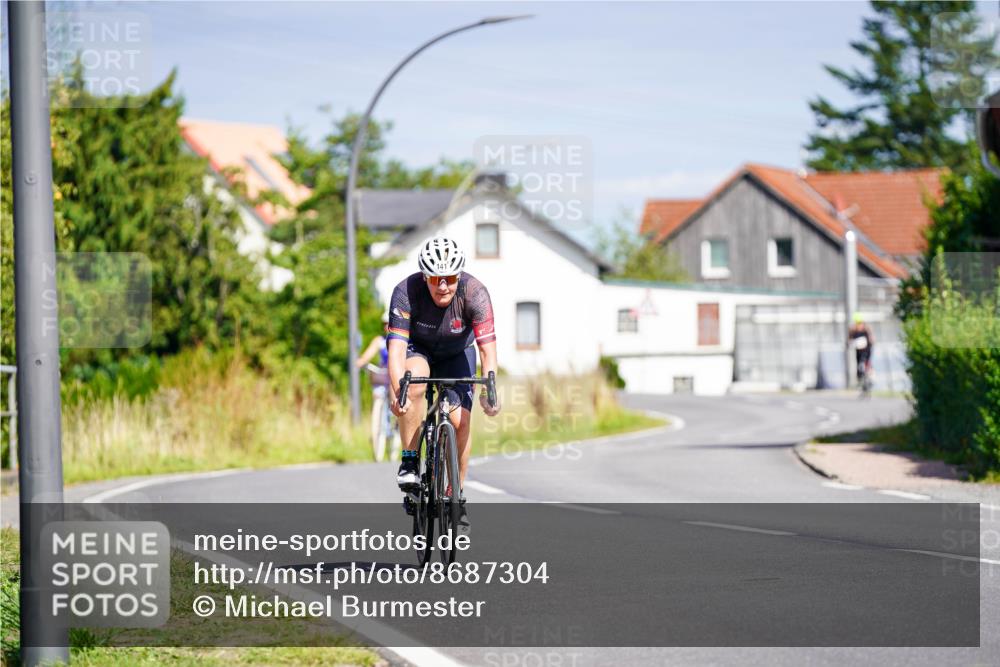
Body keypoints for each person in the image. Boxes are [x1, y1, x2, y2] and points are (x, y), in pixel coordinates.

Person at [386, 237, 501, 536]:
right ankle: (410, 461)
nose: (443, 287)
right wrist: (397, 394)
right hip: (418, 349)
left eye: (450, 279)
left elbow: (488, 352)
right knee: (411, 385)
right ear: (425, 276)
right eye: (436, 279)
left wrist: (491, 392)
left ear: (459, 275)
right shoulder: (405, 292)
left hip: (457, 353)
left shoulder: (475, 294)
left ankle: (456, 494)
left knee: (460, 420)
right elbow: (397, 352)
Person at [356, 313, 392, 459]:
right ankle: (377, 431)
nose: (386, 326)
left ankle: (394, 427)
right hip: (383, 376)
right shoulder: (380, 341)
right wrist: (360, 362)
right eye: (384, 323)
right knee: (377, 394)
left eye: (388, 323)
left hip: (395, 378)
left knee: (395, 397)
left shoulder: (400, 339)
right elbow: (368, 355)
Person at [848, 312, 874, 386]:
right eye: (857, 323)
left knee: (867, 361)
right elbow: (849, 339)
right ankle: (860, 379)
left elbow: (871, 338)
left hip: (866, 349)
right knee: (859, 364)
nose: (858, 325)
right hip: (859, 351)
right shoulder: (853, 329)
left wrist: (871, 341)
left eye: (860, 323)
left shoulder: (866, 328)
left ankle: (870, 376)